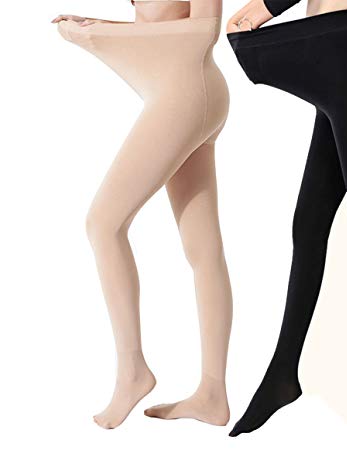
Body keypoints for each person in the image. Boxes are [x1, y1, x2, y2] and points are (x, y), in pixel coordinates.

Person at [227, 0, 347, 439]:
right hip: (337, 64)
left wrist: (268, 6)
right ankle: (282, 374)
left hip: (345, 61)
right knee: (309, 225)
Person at [52, 0, 232, 429]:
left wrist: (98, 35)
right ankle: (212, 394)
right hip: (178, 94)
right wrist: (94, 25)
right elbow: (154, 26)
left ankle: (133, 371)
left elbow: (204, 31)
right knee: (203, 248)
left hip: (185, 94)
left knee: (103, 223)